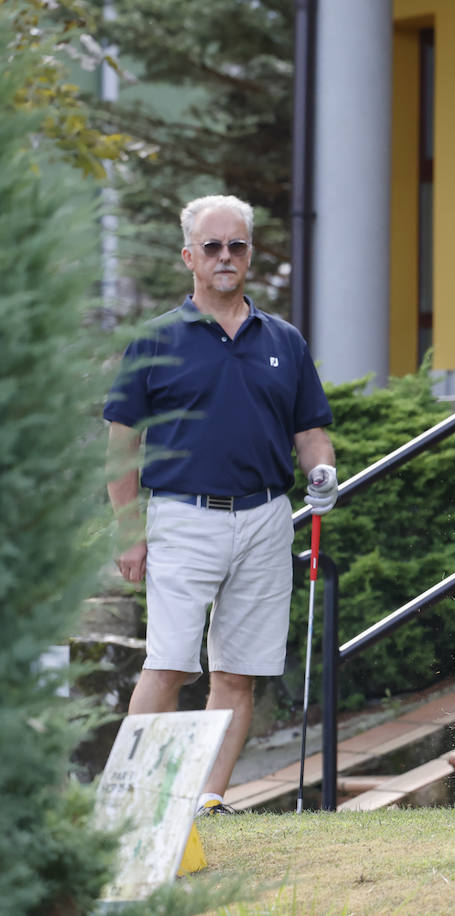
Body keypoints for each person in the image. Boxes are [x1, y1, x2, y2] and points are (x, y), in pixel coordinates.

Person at [104, 194, 338, 815]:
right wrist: (129, 533)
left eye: (237, 245)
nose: (226, 257)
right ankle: (135, 805)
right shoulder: (153, 340)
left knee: (237, 672)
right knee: (171, 664)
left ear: (251, 254)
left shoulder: (283, 341)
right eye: (212, 247)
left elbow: (311, 429)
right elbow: (120, 447)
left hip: (265, 518)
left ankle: (206, 802)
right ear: (189, 257)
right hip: (181, 517)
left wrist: (323, 469)